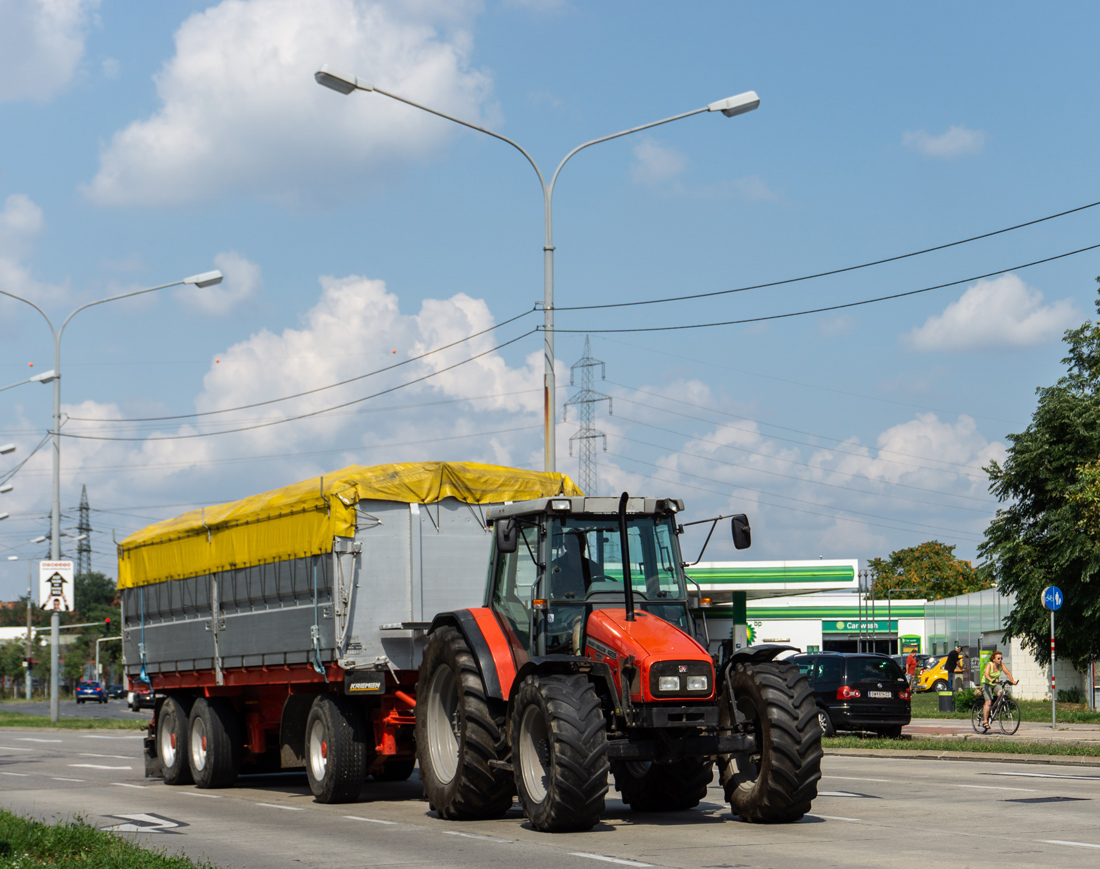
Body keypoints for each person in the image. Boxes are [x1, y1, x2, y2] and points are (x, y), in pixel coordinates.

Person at [980, 649, 1018, 731]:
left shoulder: (1001, 665)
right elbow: (986, 674)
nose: (1000, 660)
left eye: (1001, 658)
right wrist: (991, 680)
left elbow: (1008, 673)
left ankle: (995, 709)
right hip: (987, 684)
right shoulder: (989, 665)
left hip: (995, 684)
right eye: (998, 658)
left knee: (1002, 693)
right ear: (993, 659)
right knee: (988, 702)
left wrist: (1012, 681)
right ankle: (985, 721)